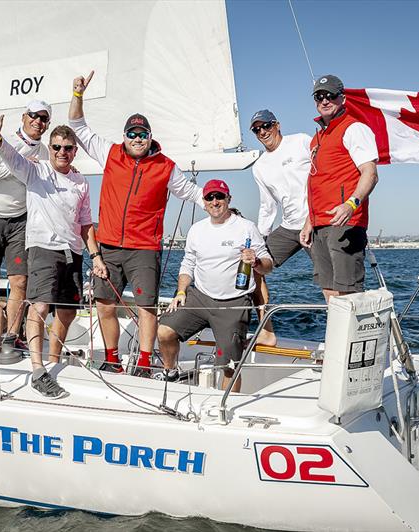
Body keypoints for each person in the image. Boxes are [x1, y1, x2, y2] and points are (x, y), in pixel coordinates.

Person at [68, 71, 203, 377]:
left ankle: (143, 362)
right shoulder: (111, 153)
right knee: (104, 304)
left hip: (144, 249)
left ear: (150, 137)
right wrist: (77, 94)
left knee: (146, 308)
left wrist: (220, 206)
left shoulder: (165, 167)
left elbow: (193, 193)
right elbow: (77, 126)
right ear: (125, 136)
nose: (137, 139)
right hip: (110, 246)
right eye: (132, 134)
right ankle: (112, 359)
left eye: (142, 135)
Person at [0, 107, 108, 399]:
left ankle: (54, 361)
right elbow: (11, 158)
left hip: (73, 252)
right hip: (43, 249)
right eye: (57, 147)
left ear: (75, 152)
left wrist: (96, 256)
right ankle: (38, 371)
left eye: (68, 148)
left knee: (67, 312)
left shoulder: (81, 182)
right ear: (51, 148)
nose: (62, 152)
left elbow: (86, 223)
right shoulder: (36, 171)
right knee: (39, 307)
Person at [158, 180, 273, 392]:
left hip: (233, 302)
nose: (215, 201)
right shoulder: (197, 230)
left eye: (219, 196)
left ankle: (224, 405)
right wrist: (181, 291)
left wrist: (256, 262)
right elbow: (187, 264)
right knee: (165, 331)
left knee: (229, 366)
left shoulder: (246, 227)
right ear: (204, 201)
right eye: (210, 197)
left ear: (228, 199)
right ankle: (170, 372)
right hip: (200, 297)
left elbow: (268, 265)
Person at [0, 100, 52, 358]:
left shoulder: (47, 153)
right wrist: (14, 166)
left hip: (20, 220)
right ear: (24, 117)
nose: (38, 121)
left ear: (47, 124)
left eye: (43, 118)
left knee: (19, 280)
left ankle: (12, 337)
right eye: (33, 116)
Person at [299, 75, 378, 301]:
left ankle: (351, 337)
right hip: (319, 225)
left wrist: (350, 205)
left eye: (330, 96)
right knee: (329, 290)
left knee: (348, 292)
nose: (325, 100)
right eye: (319, 96)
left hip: (345, 224)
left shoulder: (354, 129)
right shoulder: (318, 138)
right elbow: (319, 184)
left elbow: (370, 173)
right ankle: (337, 337)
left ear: (342, 98)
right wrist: (308, 222)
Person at [249, 109, 312, 346]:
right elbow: (267, 206)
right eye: (256, 129)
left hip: (315, 222)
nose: (262, 132)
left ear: (277, 124)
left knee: (331, 282)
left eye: (266, 126)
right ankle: (266, 331)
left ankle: (342, 339)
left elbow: (325, 173)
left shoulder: (301, 142)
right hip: (289, 227)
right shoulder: (260, 166)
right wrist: (258, 239)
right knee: (254, 267)